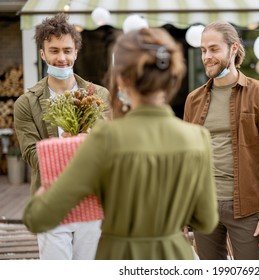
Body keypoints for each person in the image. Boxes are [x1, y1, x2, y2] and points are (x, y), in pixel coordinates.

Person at [22, 27, 218, 260]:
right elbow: (206, 220)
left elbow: (38, 218)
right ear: (173, 76)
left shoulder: (105, 138)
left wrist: (43, 193)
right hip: (174, 257)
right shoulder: (197, 138)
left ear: (122, 78)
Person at [13, 13, 111, 260]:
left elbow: (110, 148)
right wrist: (68, 148)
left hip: (93, 199)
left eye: (67, 50)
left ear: (76, 52)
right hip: (51, 201)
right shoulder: (26, 103)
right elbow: (32, 154)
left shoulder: (99, 95)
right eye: (53, 50)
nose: (61, 58)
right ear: (43, 53)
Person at [183, 21, 259, 260]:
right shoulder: (193, 99)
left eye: (214, 49)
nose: (207, 56)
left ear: (233, 48)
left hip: (248, 209)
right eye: (203, 50)